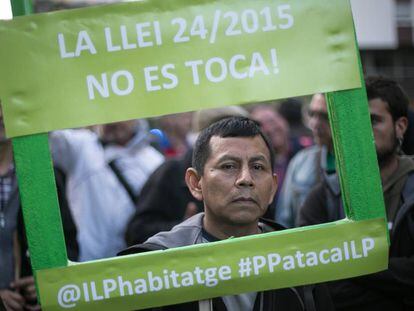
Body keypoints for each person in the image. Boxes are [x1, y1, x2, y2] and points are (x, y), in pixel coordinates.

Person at [121, 117, 334, 310]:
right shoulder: (156, 268)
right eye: (229, 166)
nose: (245, 179)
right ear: (195, 183)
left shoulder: (301, 264)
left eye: (258, 167)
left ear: (273, 188)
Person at [298, 77, 414, 310]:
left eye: (373, 120)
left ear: (400, 126)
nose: (362, 131)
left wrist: (348, 267)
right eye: (355, 120)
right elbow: (313, 279)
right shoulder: (322, 197)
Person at [125, 106, 249, 245]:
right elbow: (137, 232)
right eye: (230, 133)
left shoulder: (250, 175)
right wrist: (185, 228)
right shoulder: (171, 172)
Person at [50, 119, 163, 261]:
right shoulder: (82, 145)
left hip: (136, 265)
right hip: (87, 265)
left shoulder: (154, 161)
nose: (111, 120)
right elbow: (48, 136)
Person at [0, 107, 78, 310]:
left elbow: (67, 244)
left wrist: (51, 280)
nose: (1, 114)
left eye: (4, 103)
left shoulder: (42, 175)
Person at [276, 94, 335, 228]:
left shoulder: (365, 163)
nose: (314, 123)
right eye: (312, 114)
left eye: (325, 116)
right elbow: (284, 220)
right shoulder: (300, 162)